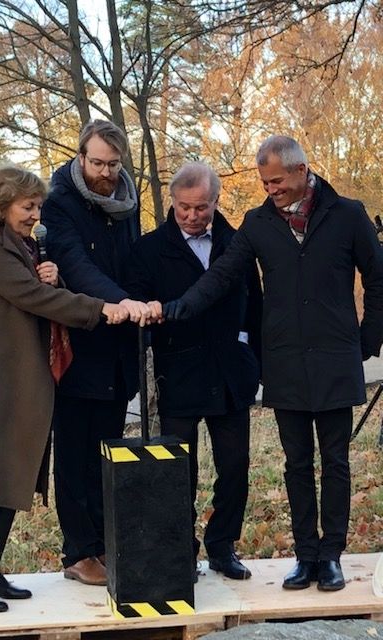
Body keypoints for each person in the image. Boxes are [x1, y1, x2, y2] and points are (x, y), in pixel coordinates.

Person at [163, 136, 383, 591]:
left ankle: (332, 555)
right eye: (264, 182)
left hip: (335, 358)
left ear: (302, 171)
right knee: (296, 462)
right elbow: (223, 274)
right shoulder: (258, 223)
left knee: (336, 461)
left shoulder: (348, 215)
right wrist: (182, 305)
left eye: (277, 181)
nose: (270, 189)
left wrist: (368, 338)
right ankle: (305, 557)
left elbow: (378, 278)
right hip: (283, 362)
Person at [0, 163, 130, 613]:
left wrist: (55, 276)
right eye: (28, 207)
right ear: (2, 205)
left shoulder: (25, 247)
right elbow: (35, 300)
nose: (35, 215)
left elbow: (43, 290)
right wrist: (101, 308)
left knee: (12, 471)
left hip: (16, 377)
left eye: (38, 206)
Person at [125, 162, 262, 581]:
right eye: (183, 207)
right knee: (177, 472)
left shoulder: (237, 243)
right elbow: (138, 309)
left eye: (200, 207)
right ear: (172, 202)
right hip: (178, 375)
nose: (191, 216)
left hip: (230, 375)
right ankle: (179, 550)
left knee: (235, 468)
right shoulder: (149, 249)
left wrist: (254, 360)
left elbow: (254, 305)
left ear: (216, 202)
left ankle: (223, 545)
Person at [41, 120, 154, 586]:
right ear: (80, 156)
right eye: (97, 163)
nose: (105, 173)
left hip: (118, 348)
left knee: (106, 452)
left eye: (113, 164)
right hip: (77, 347)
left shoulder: (126, 201)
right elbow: (76, 266)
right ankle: (78, 552)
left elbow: (134, 261)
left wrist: (148, 300)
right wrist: (119, 303)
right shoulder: (59, 202)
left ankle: (105, 544)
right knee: (73, 454)